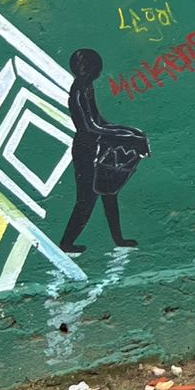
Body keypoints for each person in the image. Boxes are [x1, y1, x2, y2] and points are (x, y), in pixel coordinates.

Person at [59, 48, 148, 254]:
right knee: (87, 199)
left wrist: (127, 131)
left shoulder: (87, 87)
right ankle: (66, 242)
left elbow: (99, 121)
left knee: (110, 192)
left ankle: (118, 238)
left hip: (97, 146)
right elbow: (89, 127)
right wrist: (125, 135)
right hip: (86, 149)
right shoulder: (79, 90)